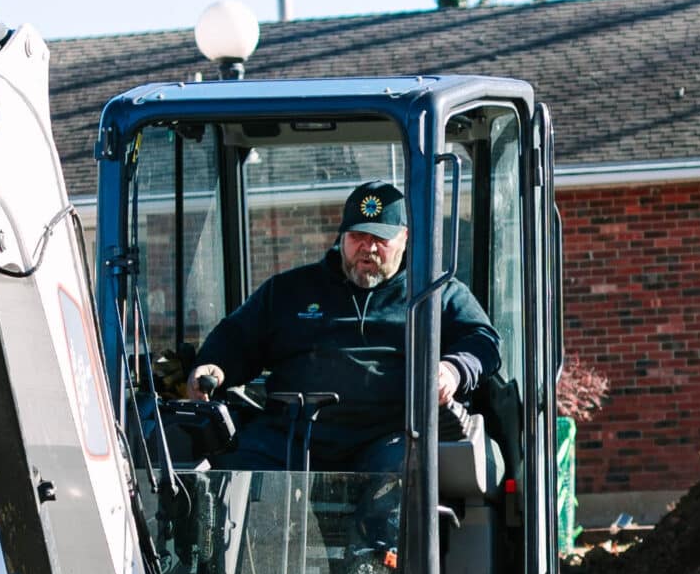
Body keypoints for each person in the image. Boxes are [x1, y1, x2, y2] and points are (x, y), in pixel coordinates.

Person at [186, 181, 501, 492]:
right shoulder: (288, 291)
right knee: (230, 474)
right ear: (342, 236)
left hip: (391, 435)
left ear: (405, 237)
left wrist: (452, 370)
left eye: (379, 238)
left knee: (404, 476)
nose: (368, 247)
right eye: (357, 237)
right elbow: (238, 337)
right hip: (293, 433)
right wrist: (214, 365)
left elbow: (482, 340)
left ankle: (382, 546)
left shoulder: (436, 292)